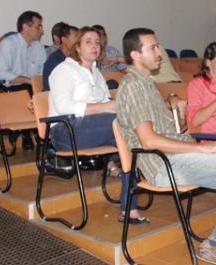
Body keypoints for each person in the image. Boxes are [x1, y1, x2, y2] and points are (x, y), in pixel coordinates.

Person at [115, 27, 216, 265]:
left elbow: (166, 133)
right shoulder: (133, 86)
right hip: (162, 165)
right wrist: (201, 148)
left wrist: (182, 121)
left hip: (175, 157)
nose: (159, 52)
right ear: (135, 54)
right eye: (152, 47)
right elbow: (149, 141)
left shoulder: (146, 84)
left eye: (158, 46)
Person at [48, 26, 146, 224]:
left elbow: (107, 106)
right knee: (122, 124)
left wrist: (115, 106)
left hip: (95, 129)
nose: (95, 46)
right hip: (66, 131)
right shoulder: (63, 70)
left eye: (97, 43)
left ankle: (129, 208)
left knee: (134, 137)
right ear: (77, 47)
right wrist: (107, 106)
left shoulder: (97, 73)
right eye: (88, 42)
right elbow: (64, 105)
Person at [0, 10, 46, 92]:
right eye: (38, 27)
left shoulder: (38, 46)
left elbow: (43, 72)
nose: (42, 31)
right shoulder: (8, 43)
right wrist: (27, 80)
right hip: (12, 89)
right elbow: (0, 74)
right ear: (25, 27)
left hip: (34, 88)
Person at [42, 22, 78, 91]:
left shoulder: (76, 58)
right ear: (64, 40)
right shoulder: (54, 60)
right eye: (75, 38)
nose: (78, 41)